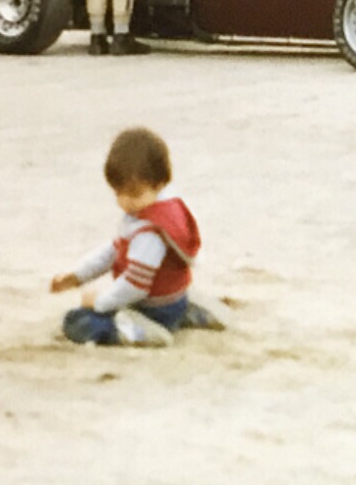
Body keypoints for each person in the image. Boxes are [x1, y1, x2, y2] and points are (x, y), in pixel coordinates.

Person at [51, 127, 227, 348]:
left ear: (160, 184)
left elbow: (136, 286)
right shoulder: (165, 207)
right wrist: (78, 275)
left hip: (153, 307)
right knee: (99, 310)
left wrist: (99, 302)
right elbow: (114, 250)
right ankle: (184, 313)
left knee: (76, 322)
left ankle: (145, 330)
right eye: (118, 193)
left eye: (134, 194)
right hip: (174, 298)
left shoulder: (149, 233)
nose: (125, 202)